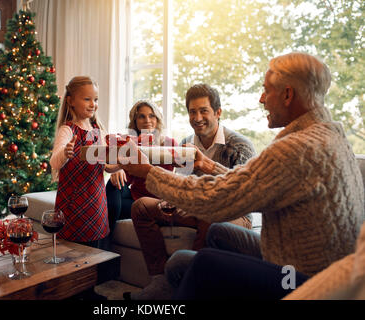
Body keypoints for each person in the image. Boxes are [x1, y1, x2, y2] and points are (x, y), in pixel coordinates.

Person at [121, 52, 364, 299]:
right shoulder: (332, 136)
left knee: (198, 262)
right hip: (317, 265)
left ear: (288, 94)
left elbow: (217, 200)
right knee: (215, 235)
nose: (261, 99)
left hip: (298, 278)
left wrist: (149, 172)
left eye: (266, 90)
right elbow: (252, 184)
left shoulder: (295, 149)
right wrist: (209, 166)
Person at [125, 84, 256, 300]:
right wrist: (180, 200)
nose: (197, 117)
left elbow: (244, 195)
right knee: (141, 207)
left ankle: (191, 283)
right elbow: (183, 182)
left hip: (233, 214)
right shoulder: (186, 144)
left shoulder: (240, 146)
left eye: (203, 111)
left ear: (218, 112)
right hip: (195, 207)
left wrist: (197, 202)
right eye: (192, 112)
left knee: (209, 214)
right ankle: (160, 280)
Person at [50, 76, 120, 249]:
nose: (93, 104)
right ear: (71, 101)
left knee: (96, 249)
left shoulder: (98, 131)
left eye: (95, 100)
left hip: (96, 201)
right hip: (73, 203)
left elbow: (107, 166)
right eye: (87, 99)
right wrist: (65, 153)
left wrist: (121, 165)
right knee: (73, 251)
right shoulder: (67, 129)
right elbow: (54, 162)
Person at [105, 100, 177, 245]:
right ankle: (105, 244)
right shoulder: (131, 142)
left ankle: (104, 242)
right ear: (135, 121)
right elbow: (109, 163)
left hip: (156, 203)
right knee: (112, 185)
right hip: (135, 198)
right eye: (141, 117)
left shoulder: (169, 143)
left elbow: (179, 174)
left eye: (152, 116)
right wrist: (117, 169)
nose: (147, 121)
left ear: (157, 119)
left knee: (110, 208)